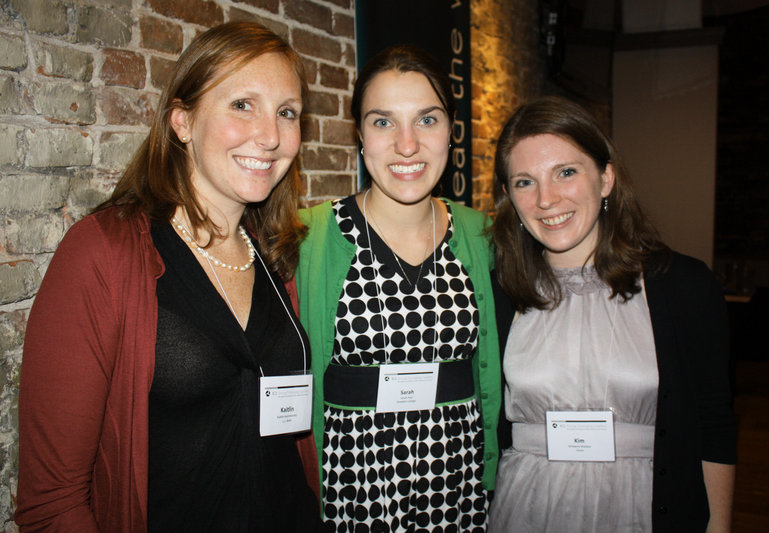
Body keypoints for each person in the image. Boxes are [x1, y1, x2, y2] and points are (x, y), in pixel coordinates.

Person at [15, 22, 321, 533]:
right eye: (242, 104)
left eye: (286, 113)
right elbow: (53, 503)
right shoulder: (102, 253)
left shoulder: (274, 256)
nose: (270, 136)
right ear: (182, 121)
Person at [489, 96, 737, 533]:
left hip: (642, 509)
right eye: (525, 182)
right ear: (509, 196)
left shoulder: (683, 285)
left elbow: (714, 422)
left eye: (565, 172)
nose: (547, 199)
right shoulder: (500, 291)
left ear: (605, 179)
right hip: (526, 508)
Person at [295, 45, 501, 532]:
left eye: (426, 120)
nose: (407, 145)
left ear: (451, 132)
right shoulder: (308, 239)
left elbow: (490, 381)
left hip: (458, 490)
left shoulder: (483, 237)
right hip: (352, 493)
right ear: (360, 137)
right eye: (383, 122)